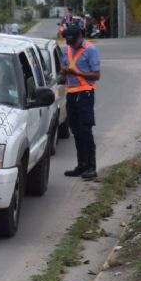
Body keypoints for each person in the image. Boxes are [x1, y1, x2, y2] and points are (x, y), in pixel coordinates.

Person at [61, 26, 101, 179]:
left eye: (73, 41)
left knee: (85, 131)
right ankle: (81, 165)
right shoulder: (68, 49)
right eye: (68, 41)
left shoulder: (91, 50)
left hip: (85, 94)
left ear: (81, 36)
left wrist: (77, 73)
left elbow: (97, 75)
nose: (71, 44)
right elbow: (63, 71)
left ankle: (91, 167)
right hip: (71, 94)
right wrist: (64, 72)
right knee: (76, 131)